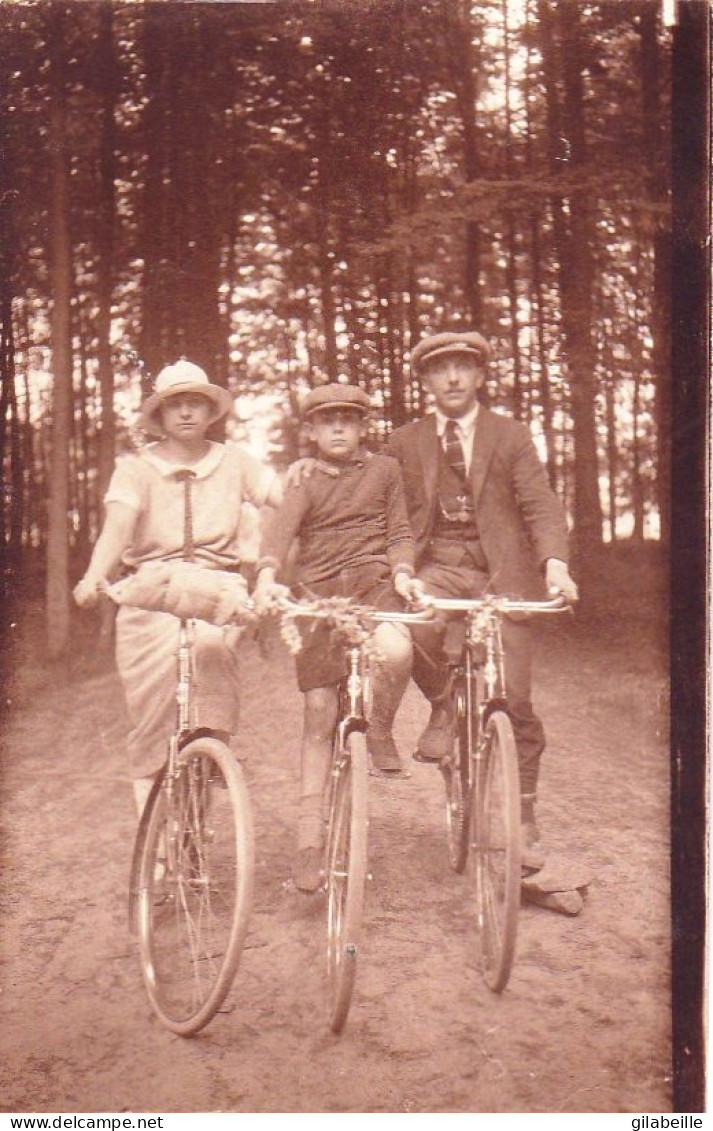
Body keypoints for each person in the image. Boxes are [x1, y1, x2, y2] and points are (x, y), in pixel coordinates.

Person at [386, 331, 579, 870]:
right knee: (413, 620)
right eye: (440, 369)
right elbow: (374, 490)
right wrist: (315, 469)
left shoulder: (510, 434)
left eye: (463, 368)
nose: (452, 378)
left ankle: (523, 813)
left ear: (479, 376)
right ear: (425, 380)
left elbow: (539, 503)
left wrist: (554, 565)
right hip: (438, 566)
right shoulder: (405, 441)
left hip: (502, 573)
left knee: (514, 698)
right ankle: (444, 705)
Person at [73, 359, 283, 817]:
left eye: (196, 404)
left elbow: (285, 502)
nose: (187, 413)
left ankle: (212, 753)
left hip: (217, 586)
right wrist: (95, 575)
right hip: (151, 590)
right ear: (160, 416)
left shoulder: (236, 462)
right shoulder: (136, 470)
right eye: (176, 406)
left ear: (211, 412)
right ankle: (158, 850)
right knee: (151, 716)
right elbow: (117, 528)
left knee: (211, 652)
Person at [253, 383, 424, 892]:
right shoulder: (303, 480)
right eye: (327, 421)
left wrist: (403, 571)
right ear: (311, 430)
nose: (338, 429)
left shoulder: (385, 471)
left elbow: (398, 531)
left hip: (374, 584)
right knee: (320, 711)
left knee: (396, 651)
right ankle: (309, 838)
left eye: (348, 420)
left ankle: (380, 728)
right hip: (318, 594)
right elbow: (279, 534)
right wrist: (266, 573)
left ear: (361, 425)